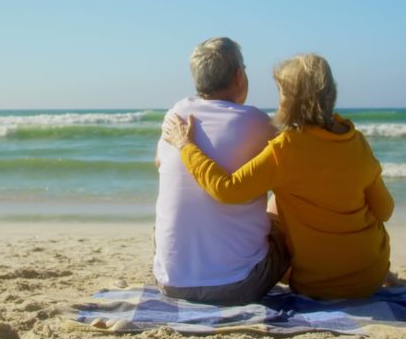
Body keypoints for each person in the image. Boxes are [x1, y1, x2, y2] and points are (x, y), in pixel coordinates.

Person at [163, 53, 394, 300]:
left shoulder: (285, 148)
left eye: (281, 92)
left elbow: (226, 190)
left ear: (291, 100)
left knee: (275, 203)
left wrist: (186, 146)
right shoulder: (356, 141)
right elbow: (384, 211)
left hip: (317, 285)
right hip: (372, 274)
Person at [153, 37, 290, 305]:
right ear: (239, 75)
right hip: (238, 284)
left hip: (170, 282)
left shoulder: (176, 114)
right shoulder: (256, 122)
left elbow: (160, 161)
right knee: (281, 207)